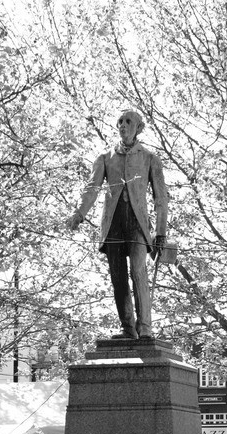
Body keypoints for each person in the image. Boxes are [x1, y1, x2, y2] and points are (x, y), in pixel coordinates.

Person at [67, 110, 168, 340]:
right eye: (120, 122)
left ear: (139, 128)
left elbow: (161, 197)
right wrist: (79, 213)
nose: (123, 125)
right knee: (118, 276)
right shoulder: (105, 157)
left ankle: (145, 328)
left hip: (137, 224)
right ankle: (127, 327)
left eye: (128, 122)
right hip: (112, 223)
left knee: (138, 270)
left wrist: (160, 233)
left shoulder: (150, 158)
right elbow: (91, 188)